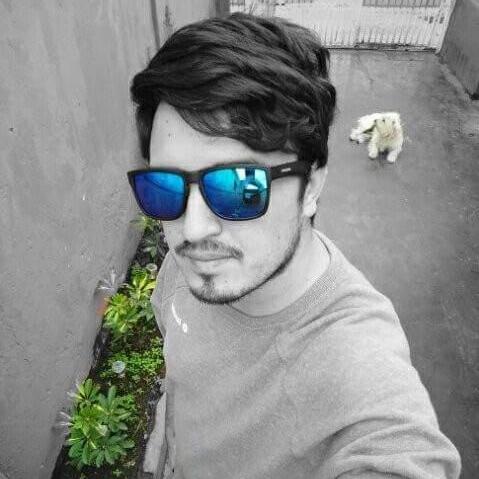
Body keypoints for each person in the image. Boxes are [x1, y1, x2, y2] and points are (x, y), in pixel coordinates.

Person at [128, 13, 461, 479]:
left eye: (240, 187)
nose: (193, 228)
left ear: (311, 187)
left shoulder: (352, 365)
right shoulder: (186, 268)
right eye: (165, 186)